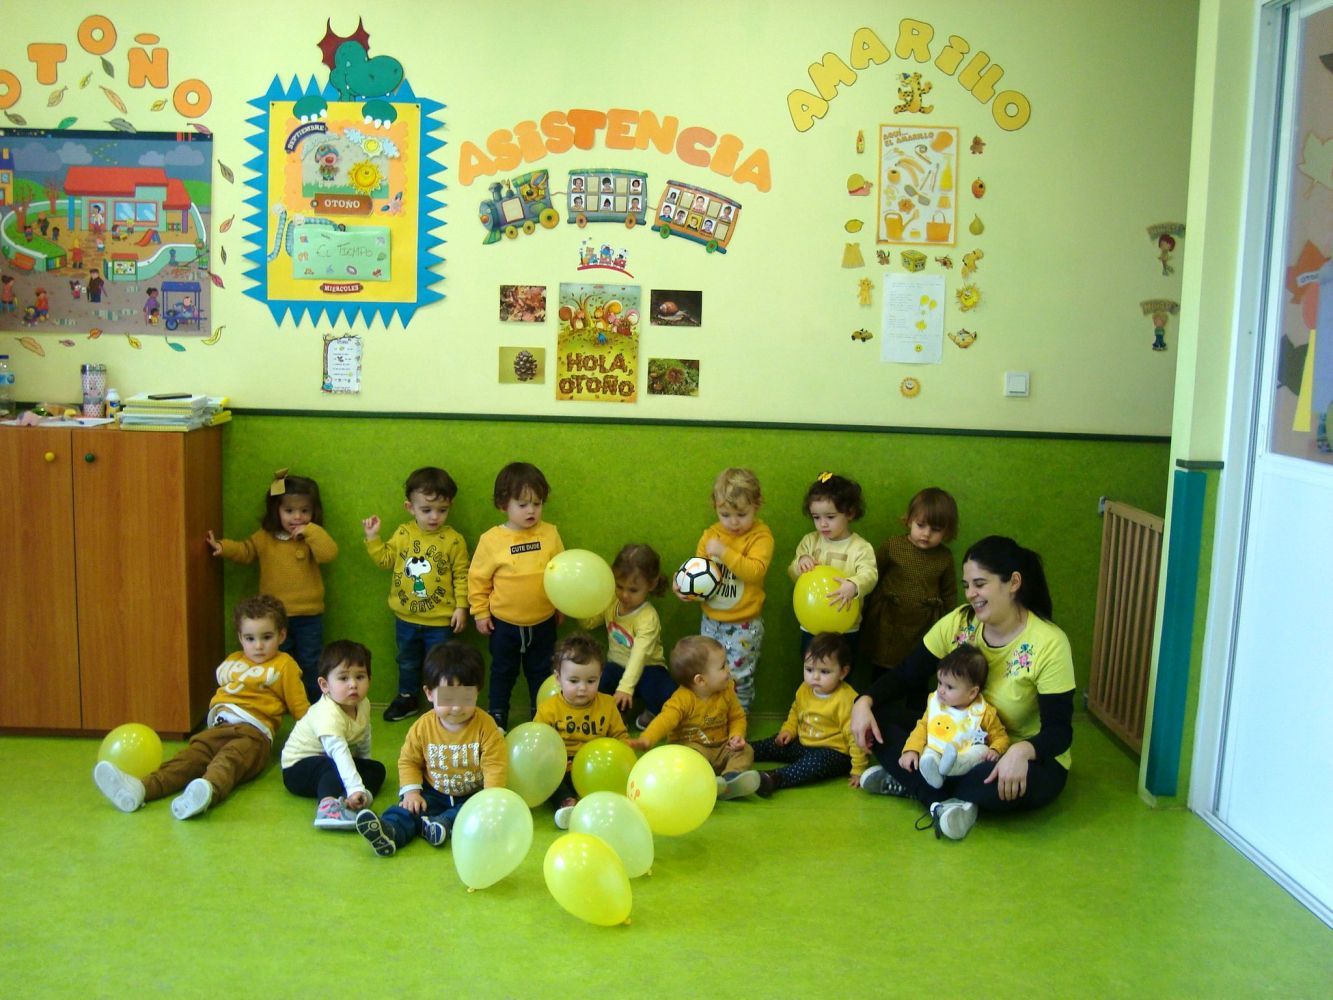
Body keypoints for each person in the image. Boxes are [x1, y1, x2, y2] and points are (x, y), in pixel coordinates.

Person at [851, 536, 1075, 841]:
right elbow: (907, 674)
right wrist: (863, 701)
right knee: (876, 717)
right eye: (967, 585)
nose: (971, 594)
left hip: (1012, 755)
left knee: (990, 782)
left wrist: (1022, 751)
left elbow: (1059, 732)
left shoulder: (1049, 643)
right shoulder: (959, 622)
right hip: (950, 741)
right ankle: (944, 801)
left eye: (980, 584)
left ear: (1013, 582)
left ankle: (915, 785)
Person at [93, 595, 310, 818]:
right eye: (250, 638)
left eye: (267, 637)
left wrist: (315, 740)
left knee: (228, 761)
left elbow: (300, 708)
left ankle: (206, 792)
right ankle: (140, 789)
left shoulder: (285, 665)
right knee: (187, 760)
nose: (258, 646)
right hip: (217, 728)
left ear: (281, 635)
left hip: (254, 733)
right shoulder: (234, 660)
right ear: (240, 638)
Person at [354, 642, 507, 856]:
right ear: (429, 693)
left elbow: (495, 765)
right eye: (448, 698)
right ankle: (389, 831)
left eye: (465, 697)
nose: (456, 707)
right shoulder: (422, 727)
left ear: (477, 692)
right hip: (433, 792)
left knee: (471, 812)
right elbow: (409, 761)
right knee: (409, 810)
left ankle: (441, 825)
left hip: (470, 794)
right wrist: (412, 792)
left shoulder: (486, 727)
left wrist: (489, 802)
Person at [207, 470, 337, 704]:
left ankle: (316, 703)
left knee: (310, 661)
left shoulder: (311, 537)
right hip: (273, 617)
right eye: (289, 511)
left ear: (314, 512)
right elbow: (245, 551)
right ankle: (278, 700)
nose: (297, 517)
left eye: (305, 511)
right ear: (276, 510)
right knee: (276, 661)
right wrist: (223, 547)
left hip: (309, 615)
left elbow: (329, 554)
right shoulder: (265, 537)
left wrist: (310, 530)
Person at [363, 467, 470, 722]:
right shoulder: (404, 533)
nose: (434, 516)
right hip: (406, 618)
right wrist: (373, 538)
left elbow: (463, 575)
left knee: (445, 665)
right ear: (410, 507)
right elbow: (386, 560)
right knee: (407, 662)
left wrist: (461, 607)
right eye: (426, 510)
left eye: (442, 510)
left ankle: (449, 706)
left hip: (441, 621)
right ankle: (407, 698)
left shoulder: (454, 540)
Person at [467, 462, 564, 730]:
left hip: (543, 622)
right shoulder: (491, 540)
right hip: (504, 624)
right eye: (522, 504)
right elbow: (478, 579)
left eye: (537, 503)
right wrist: (480, 612)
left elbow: (561, 573)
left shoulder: (550, 534)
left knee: (542, 672)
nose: (531, 510)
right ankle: (497, 714)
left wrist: (561, 605)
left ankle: (541, 714)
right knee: (502, 671)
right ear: (503, 505)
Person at [676, 468, 773, 711]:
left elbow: (755, 571)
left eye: (741, 514)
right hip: (710, 621)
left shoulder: (760, 537)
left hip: (744, 625)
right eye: (725, 514)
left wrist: (724, 552)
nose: (733, 522)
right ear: (715, 507)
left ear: (757, 505)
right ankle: (714, 716)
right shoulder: (711, 535)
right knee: (709, 674)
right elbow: (698, 572)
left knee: (738, 677)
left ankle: (739, 720)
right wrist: (684, 587)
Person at [860, 487, 959, 714]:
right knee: (882, 672)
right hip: (888, 621)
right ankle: (874, 715)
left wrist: (948, 626)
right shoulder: (893, 546)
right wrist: (864, 608)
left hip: (923, 625)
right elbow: (872, 576)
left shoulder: (944, 558)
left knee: (919, 673)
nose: (926, 534)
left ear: (947, 531)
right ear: (909, 520)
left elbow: (949, 593)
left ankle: (916, 722)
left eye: (935, 529)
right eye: (920, 525)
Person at [629, 635, 761, 799]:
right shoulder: (682, 700)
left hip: (721, 747)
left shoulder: (727, 690)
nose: (729, 669)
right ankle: (701, 782)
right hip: (693, 748)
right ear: (700, 680)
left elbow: (737, 717)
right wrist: (647, 738)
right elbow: (665, 720)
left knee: (746, 750)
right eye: (722, 666)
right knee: (687, 757)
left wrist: (736, 735)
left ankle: (730, 779)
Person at [280, 639, 386, 829]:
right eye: (343, 678)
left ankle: (357, 801)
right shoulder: (327, 713)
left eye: (360, 677)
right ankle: (328, 809)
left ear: (369, 679)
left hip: (328, 762)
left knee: (377, 769)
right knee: (334, 765)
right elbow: (339, 752)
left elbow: (364, 733)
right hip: (298, 770)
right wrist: (355, 786)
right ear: (324, 685)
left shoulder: (363, 704)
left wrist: (364, 766)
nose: (353, 684)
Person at [750, 632, 869, 796]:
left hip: (834, 754)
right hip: (804, 743)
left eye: (825, 672)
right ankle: (740, 750)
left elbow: (856, 737)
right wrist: (788, 730)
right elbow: (795, 711)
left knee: (811, 765)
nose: (815, 677)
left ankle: (774, 778)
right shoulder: (805, 689)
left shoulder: (847, 699)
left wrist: (858, 769)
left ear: (843, 672)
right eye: (809, 669)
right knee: (773, 744)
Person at [532, 633, 630, 828]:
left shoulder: (608, 705)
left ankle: (600, 804)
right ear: (558, 678)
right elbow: (538, 743)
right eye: (574, 681)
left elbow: (620, 736)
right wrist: (552, 762)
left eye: (591, 681)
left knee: (607, 780)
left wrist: (624, 754)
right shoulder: (548, 709)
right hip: (562, 766)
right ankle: (567, 803)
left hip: (596, 766)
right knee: (548, 779)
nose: (583, 688)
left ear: (600, 676)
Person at [580, 543, 674, 730]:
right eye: (619, 586)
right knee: (596, 683)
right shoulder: (611, 601)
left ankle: (653, 711)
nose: (624, 595)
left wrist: (626, 687)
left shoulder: (647, 617)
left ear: (651, 584)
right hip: (616, 667)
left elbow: (640, 654)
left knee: (667, 692)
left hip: (648, 668)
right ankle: (617, 710)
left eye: (633, 590)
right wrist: (580, 604)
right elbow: (589, 623)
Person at [788, 473, 878, 659]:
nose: (822, 524)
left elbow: (870, 574)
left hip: (846, 628)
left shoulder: (860, 547)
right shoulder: (810, 542)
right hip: (811, 625)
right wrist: (800, 563)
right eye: (816, 517)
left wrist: (854, 585)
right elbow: (792, 573)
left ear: (850, 513)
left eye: (830, 517)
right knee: (811, 669)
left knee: (841, 670)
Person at [897, 644, 1009, 789]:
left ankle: (954, 765)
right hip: (938, 750)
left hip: (966, 758)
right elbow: (922, 727)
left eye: (949, 687)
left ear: (972, 693)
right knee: (928, 750)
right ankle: (932, 771)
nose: (941, 690)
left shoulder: (983, 713)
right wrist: (911, 749)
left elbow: (1001, 737)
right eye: (940, 683)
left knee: (981, 751)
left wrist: (995, 749)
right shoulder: (937, 704)